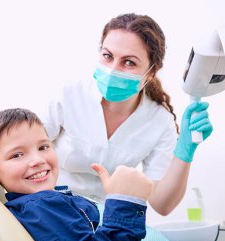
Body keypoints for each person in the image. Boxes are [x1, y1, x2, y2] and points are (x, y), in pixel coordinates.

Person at [44, 12, 213, 212]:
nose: (113, 69)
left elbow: (162, 204)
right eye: (107, 56)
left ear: (151, 72)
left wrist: (184, 152)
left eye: (129, 62)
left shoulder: (159, 121)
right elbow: (24, 149)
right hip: (52, 209)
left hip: (104, 222)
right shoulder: (70, 94)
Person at [0, 108, 154, 241]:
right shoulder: (41, 209)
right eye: (17, 155)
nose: (37, 160)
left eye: (43, 147)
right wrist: (125, 204)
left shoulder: (43, 204)